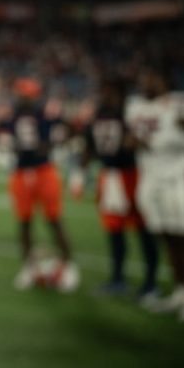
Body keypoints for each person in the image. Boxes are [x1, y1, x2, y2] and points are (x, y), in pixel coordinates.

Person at [77, 76, 159, 298]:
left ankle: (151, 282)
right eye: (103, 90)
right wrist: (79, 175)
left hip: (133, 174)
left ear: (121, 92)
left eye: (109, 90)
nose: (105, 95)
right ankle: (117, 279)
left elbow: (149, 141)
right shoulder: (98, 113)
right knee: (114, 229)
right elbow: (88, 145)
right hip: (109, 176)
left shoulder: (134, 112)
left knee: (144, 229)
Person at [0, 77, 78, 291]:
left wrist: (51, 144)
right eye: (22, 94)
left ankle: (69, 267)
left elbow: (69, 130)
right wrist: (3, 142)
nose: (24, 98)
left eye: (28, 94)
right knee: (24, 223)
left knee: (54, 220)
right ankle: (29, 268)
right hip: (21, 172)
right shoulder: (10, 115)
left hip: (44, 170)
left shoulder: (46, 113)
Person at [125, 67, 184, 319]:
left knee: (183, 237)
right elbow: (135, 135)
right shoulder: (137, 106)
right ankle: (180, 290)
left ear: (163, 80)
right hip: (149, 177)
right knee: (165, 236)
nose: (145, 83)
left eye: (150, 77)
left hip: (176, 176)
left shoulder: (180, 103)